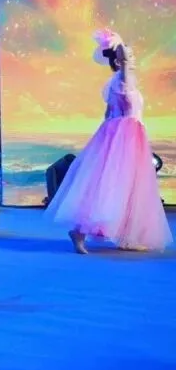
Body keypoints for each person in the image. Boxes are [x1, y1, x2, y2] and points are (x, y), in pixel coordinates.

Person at [46, 30, 172, 253]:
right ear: (119, 61)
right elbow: (123, 64)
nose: (133, 59)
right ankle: (81, 231)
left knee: (126, 186)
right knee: (115, 185)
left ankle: (125, 236)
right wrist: (119, 45)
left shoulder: (117, 82)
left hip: (124, 135)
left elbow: (107, 113)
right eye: (129, 57)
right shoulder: (123, 77)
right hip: (126, 136)